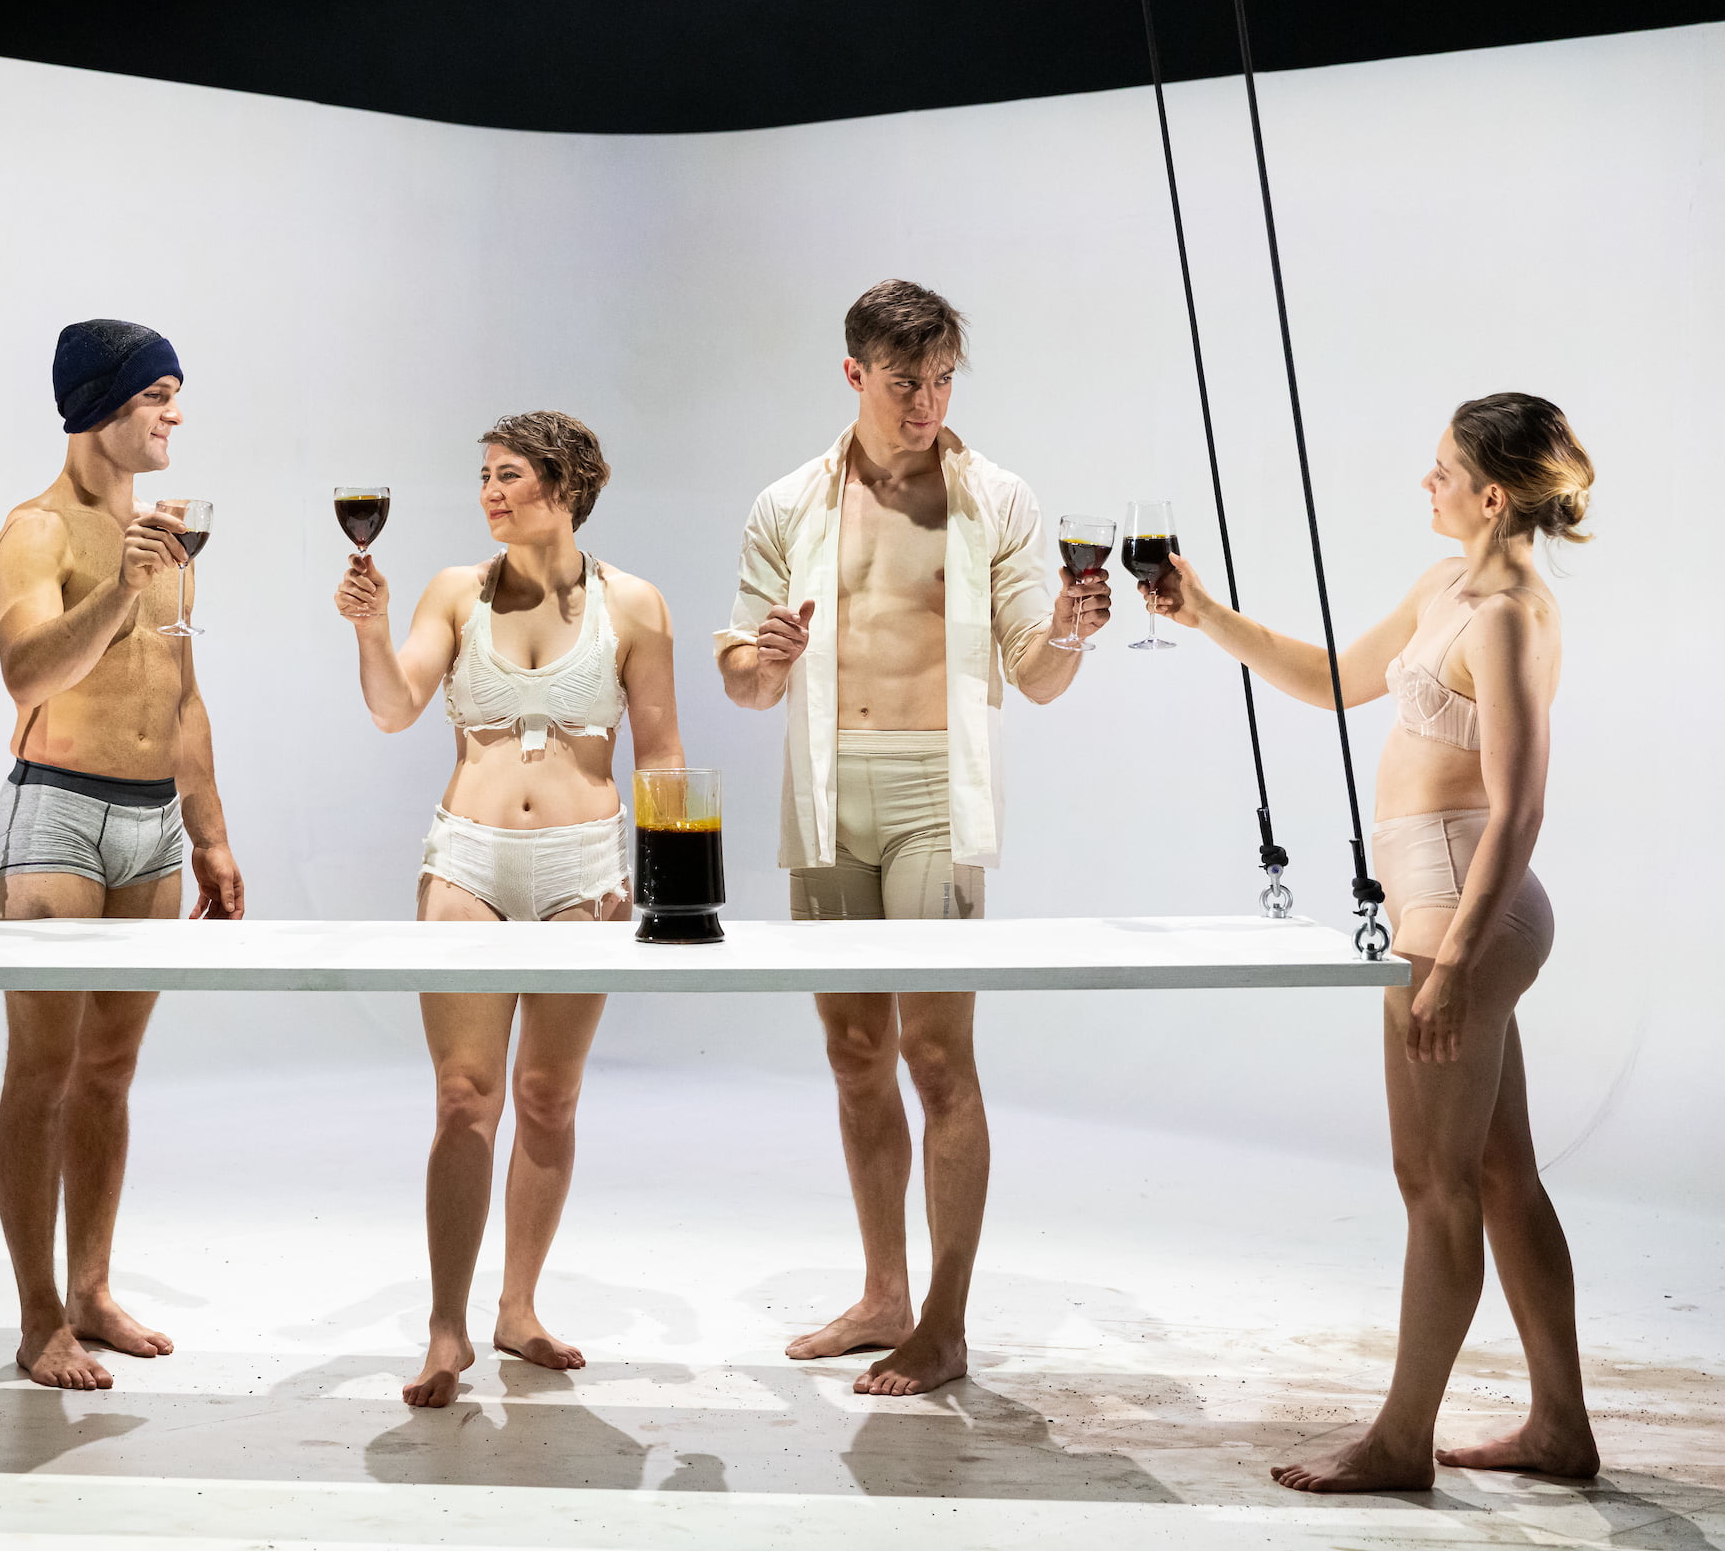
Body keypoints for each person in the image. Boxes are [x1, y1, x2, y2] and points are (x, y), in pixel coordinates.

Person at [1144, 395, 1600, 1492]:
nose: (1426, 481)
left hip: (1458, 912)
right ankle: (1561, 1427)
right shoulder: (1446, 586)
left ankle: (1401, 1440)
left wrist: (1446, 966)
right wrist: (1206, 613)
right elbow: (1337, 680)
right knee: (1497, 1172)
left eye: (1443, 469)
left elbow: (1521, 807)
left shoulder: (1508, 615)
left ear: (1494, 495)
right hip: (1439, 903)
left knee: (1431, 1180)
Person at [715, 281, 1109, 1396]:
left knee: (938, 1058)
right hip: (830, 795)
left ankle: (945, 1319)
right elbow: (745, 685)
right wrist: (770, 660)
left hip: (941, 789)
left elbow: (1031, 677)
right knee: (853, 1057)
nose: (928, 402)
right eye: (906, 382)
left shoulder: (997, 497)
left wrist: (1071, 637)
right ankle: (883, 1291)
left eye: (943, 381)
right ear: (854, 375)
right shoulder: (789, 503)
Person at [334, 411, 685, 1408]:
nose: (491, 493)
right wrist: (368, 626)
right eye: (484, 476)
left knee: (547, 1097)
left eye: (511, 475)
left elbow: (659, 750)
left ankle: (517, 1308)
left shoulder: (635, 604)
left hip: (587, 867)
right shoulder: (456, 592)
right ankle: (447, 1324)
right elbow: (394, 707)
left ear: (566, 485)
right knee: (463, 1094)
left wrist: (654, 885)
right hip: (469, 859)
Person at [0, 319, 245, 1391]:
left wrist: (212, 830)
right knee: (41, 1072)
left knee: (110, 1071)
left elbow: (180, 696)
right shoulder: (36, 530)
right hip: (57, 814)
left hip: (151, 827)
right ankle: (38, 1312)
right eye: (159, 396)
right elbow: (27, 675)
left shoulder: (170, 535)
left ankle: (91, 1287)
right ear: (102, 404)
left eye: (177, 395)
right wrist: (125, 587)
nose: (176, 414)